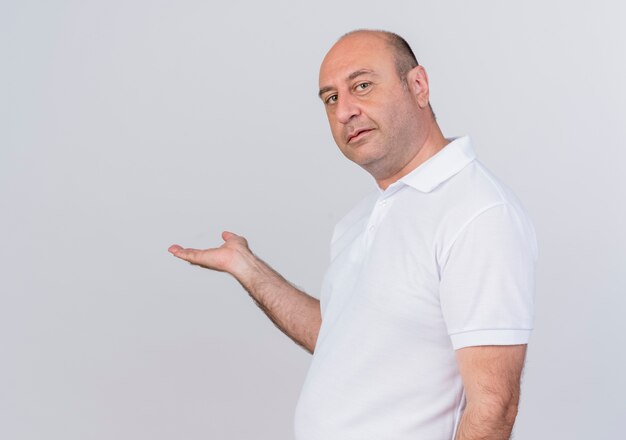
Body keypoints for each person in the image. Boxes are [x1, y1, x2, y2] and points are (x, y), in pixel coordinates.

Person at [168, 29, 537, 440]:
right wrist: (248, 268)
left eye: (362, 86)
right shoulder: (361, 217)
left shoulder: (476, 212)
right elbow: (340, 338)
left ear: (418, 85)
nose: (345, 111)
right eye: (331, 99)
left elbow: (493, 407)